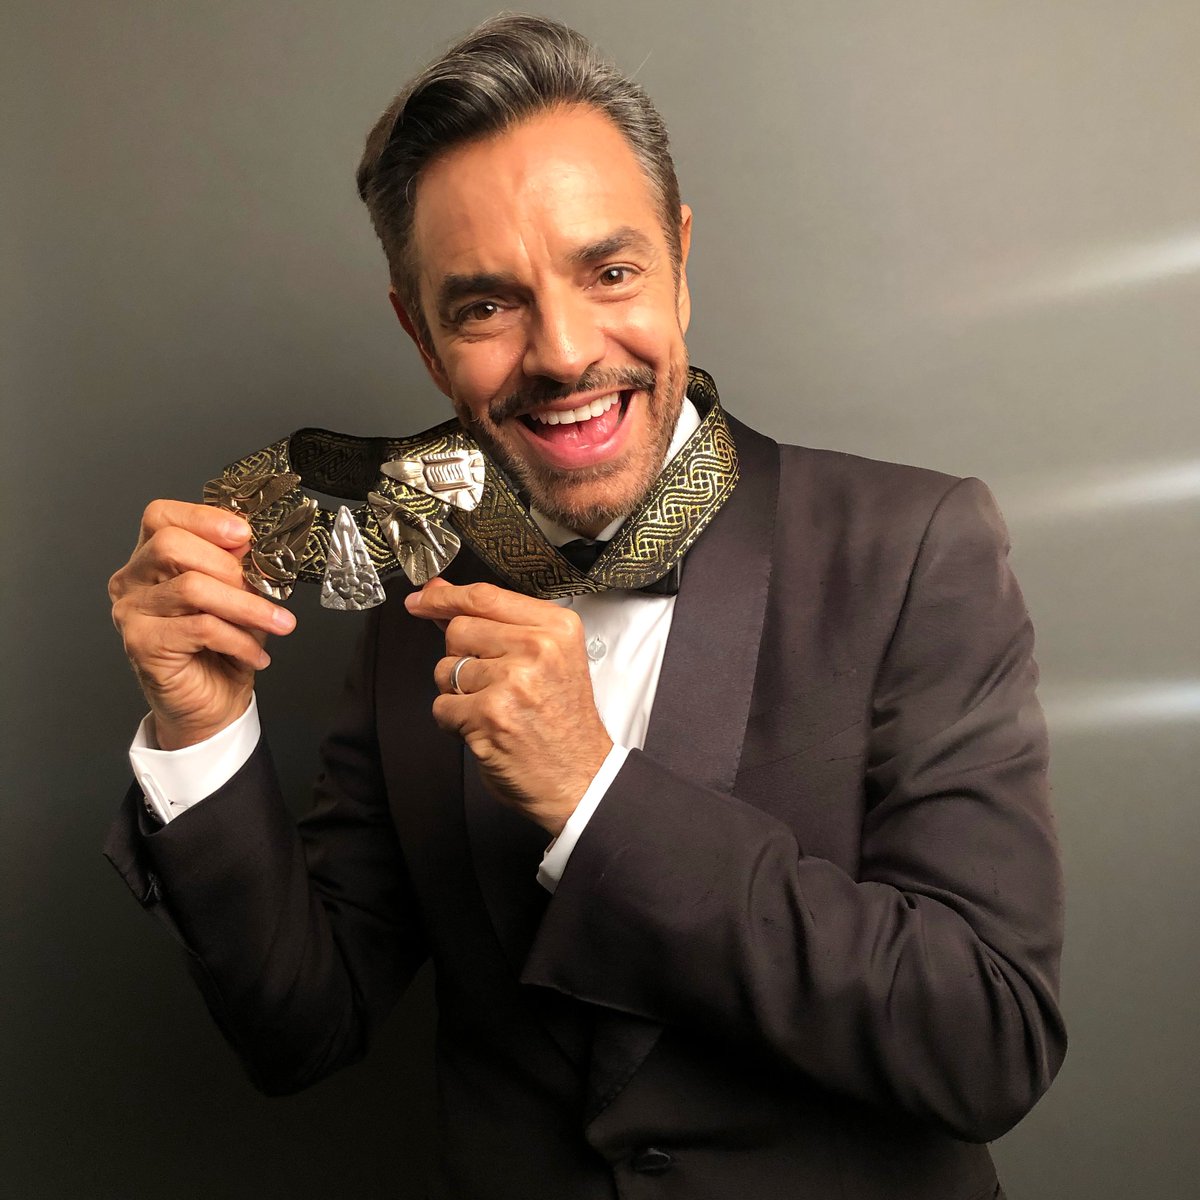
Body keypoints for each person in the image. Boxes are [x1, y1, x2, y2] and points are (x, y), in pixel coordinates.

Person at [105, 14, 1065, 1199]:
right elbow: (303, 1030)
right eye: (486, 307)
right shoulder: (416, 594)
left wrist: (595, 798)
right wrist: (200, 731)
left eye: (608, 272)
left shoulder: (917, 549)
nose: (563, 354)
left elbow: (990, 1043)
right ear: (418, 332)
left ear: (680, 258)